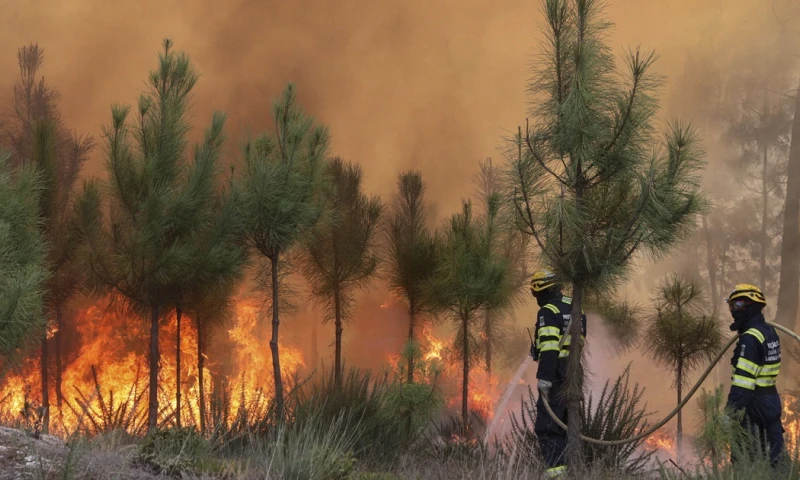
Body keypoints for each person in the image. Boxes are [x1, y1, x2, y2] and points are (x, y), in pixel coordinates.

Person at [529, 270, 587, 478]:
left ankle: (556, 473)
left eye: (536, 295)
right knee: (566, 423)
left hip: (555, 372)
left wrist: (544, 378)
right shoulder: (575, 308)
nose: (537, 300)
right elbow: (578, 343)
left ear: (542, 290)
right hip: (574, 372)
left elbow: (550, 349)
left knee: (547, 426)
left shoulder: (548, 311)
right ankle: (571, 468)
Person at [724, 284, 785, 467]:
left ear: (752, 306)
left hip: (753, 408)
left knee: (745, 462)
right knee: (776, 461)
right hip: (771, 403)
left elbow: (743, 385)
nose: (734, 311)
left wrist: (730, 414)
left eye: (738, 305)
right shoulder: (769, 332)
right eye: (732, 306)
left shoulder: (750, 339)